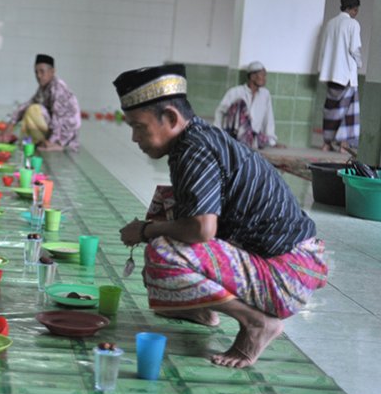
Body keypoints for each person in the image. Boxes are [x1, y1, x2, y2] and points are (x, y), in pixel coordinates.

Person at [114, 64, 327, 368]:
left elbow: (202, 229)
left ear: (172, 118)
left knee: (162, 252)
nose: (135, 137)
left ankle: (257, 324)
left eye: (139, 126)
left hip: (288, 275)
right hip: (292, 266)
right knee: (167, 207)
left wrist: (147, 230)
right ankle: (200, 308)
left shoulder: (194, 149)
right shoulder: (195, 139)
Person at [0, 54, 81, 152]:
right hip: (56, 132)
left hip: (66, 138)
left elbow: (59, 120)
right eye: (36, 72)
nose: (38, 76)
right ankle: (35, 143)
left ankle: (53, 144)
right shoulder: (44, 87)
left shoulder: (58, 88)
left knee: (34, 110)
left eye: (42, 72)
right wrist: (10, 125)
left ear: (52, 72)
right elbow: (27, 104)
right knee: (30, 109)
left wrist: (53, 142)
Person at [318, 0, 362, 154]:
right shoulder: (352, 25)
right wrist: (360, 63)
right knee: (348, 112)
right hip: (347, 76)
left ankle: (326, 143)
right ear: (352, 9)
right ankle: (344, 144)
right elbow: (355, 48)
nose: (356, 14)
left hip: (331, 74)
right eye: (356, 10)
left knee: (331, 110)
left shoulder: (331, 23)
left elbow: (324, 49)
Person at [213, 61, 279, 149]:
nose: (264, 78)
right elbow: (220, 113)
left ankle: (249, 140)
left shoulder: (265, 94)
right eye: (262, 75)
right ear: (252, 76)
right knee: (240, 103)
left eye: (265, 75)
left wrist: (272, 142)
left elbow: (268, 118)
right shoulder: (235, 92)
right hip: (234, 137)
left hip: (253, 138)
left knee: (261, 140)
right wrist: (216, 136)